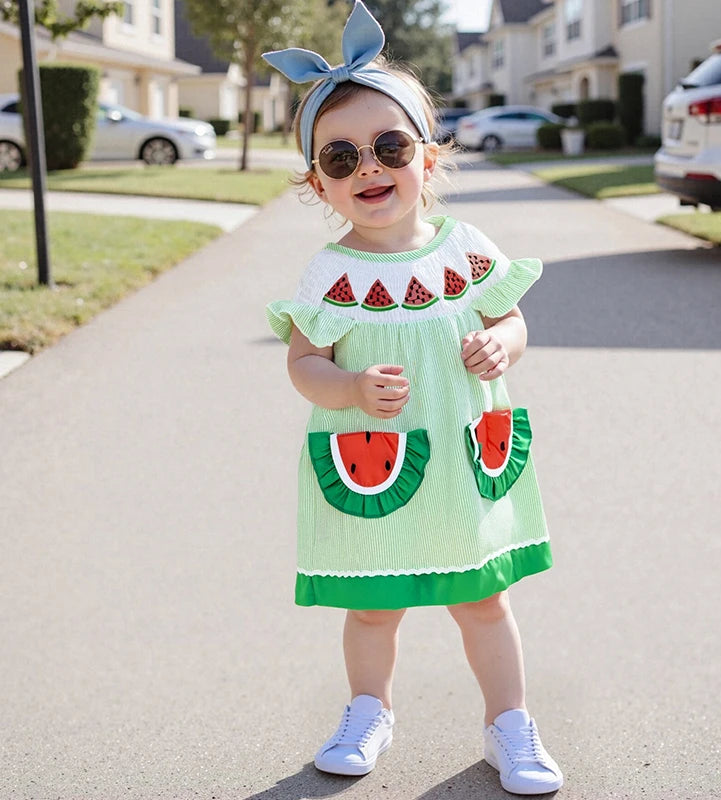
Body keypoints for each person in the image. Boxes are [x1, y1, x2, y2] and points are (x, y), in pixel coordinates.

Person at [263, 2, 562, 794]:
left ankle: (510, 725)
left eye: (389, 146)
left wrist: (505, 344)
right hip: (382, 470)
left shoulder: (467, 250)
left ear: (427, 159)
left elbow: (513, 318)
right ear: (317, 183)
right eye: (341, 156)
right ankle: (370, 710)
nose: (369, 167)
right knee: (370, 610)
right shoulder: (328, 276)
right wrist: (350, 387)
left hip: (463, 459)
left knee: (485, 603)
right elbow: (303, 364)